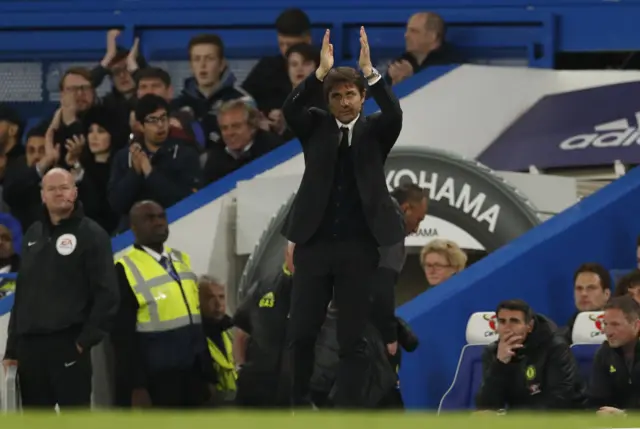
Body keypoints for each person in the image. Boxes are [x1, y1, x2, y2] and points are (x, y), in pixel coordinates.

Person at [282, 26, 404, 409]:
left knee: (353, 339)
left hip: (358, 248)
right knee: (301, 332)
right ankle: (297, 405)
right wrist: (318, 73)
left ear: (362, 98)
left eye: (351, 94)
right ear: (328, 101)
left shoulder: (376, 131)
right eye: (336, 96)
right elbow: (290, 110)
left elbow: (395, 111)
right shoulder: (315, 127)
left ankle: (348, 412)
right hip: (314, 245)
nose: (345, 101)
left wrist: (370, 71)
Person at [2, 168, 119, 409]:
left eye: (64, 187)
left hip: (68, 346)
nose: (58, 193)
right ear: (43, 195)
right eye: (51, 189)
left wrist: (82, 342)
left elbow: (107, 295)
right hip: (30, 351)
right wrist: (11, 349)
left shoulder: (92, 234)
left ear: (75, 192)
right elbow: (22, 295)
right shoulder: (33, 234)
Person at [111, 200, 215, 409]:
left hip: (194, 373)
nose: (158, 222)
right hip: (158, 380)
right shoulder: (125, 269)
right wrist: (137, 387)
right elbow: (123, 337)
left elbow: (195, 319)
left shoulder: (180, 260)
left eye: (161, 217)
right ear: (134, 227)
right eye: (149, 218)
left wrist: (208, 372)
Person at [475, 299, 586, 411]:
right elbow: (486, 405)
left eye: (514, 321)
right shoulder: (494, 352)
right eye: (502, 321)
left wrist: (512, 418)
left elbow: (559, 399)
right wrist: (500, 364)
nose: (507, 328)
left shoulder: (555, 347)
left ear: (529, 326)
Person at [232, 242, 295, 408]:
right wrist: (239, 369)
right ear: (286, 253)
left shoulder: (324, 291)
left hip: (298, 395)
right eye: (297, 250)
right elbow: (241, 331)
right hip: (258, 393)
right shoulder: (263, 287)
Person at [587, 296, 640, 415]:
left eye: (615, 324)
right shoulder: (604, 353)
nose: (608, 331)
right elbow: (595, 400)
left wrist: (626, 415)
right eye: (605, 324)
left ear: (636, 325)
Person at [199, 275, 237, 405]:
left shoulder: (233, 329)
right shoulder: (194, 337)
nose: (218, 304)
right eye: (210, 298)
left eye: (221, 297)